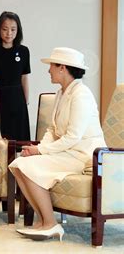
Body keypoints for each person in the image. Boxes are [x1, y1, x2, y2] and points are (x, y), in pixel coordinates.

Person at [9, 47, 106, 241]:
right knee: (18, 164)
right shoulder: (62, 93)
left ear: (62, 68)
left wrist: (40, 150)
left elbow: (73, 136)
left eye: (52, 66)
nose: (48, 70)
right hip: (67, 152)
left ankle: (50, 223)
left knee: (25, 165)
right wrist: (38, 151)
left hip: (83, 156)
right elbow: (52, 130)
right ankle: (43, 221)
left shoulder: (81, 94)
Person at [0, 11, 30, 141]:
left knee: (19, 136)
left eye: (13, 29)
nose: (9, 33)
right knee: (0, 134)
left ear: (18, 30)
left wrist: (25, 100)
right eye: (5, 29)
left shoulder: (24, 51)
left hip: (17, 98)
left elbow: (24, 78)